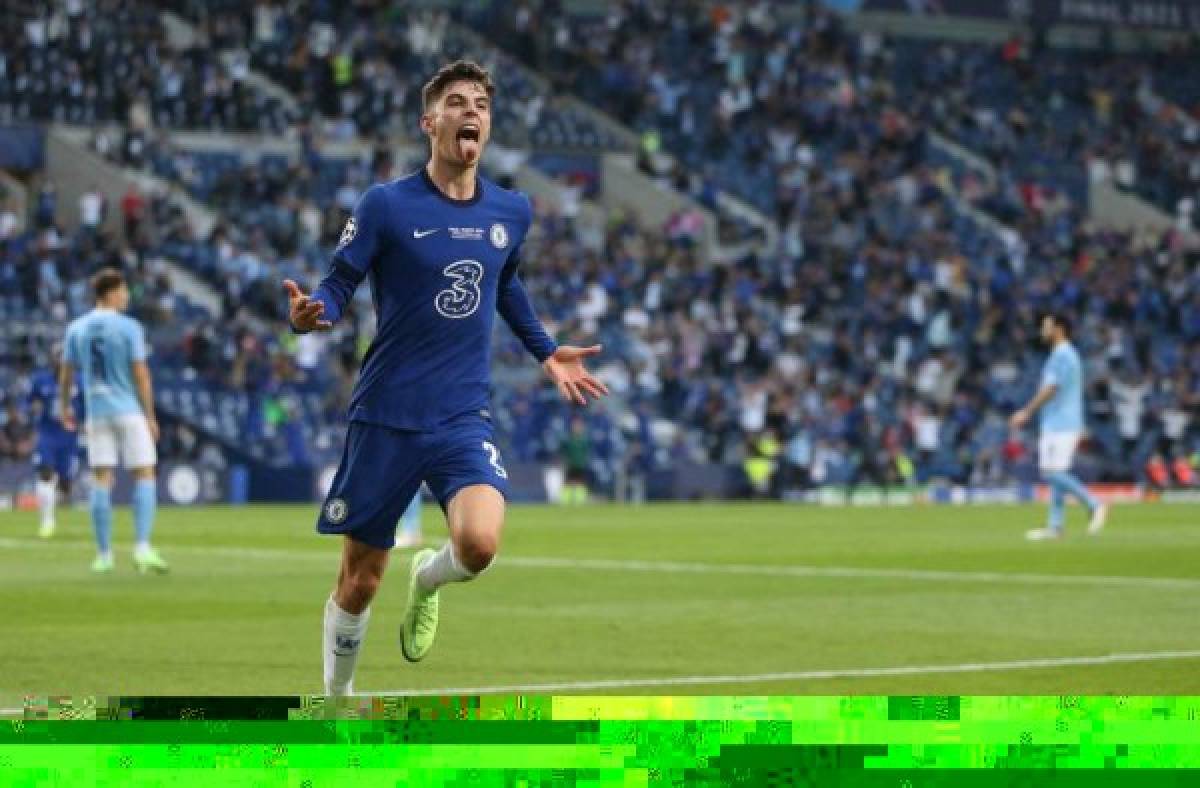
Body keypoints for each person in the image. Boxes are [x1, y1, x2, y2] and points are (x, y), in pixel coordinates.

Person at [282, 60, 609, 696]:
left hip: (462, 414)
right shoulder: (387, 204)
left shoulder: (511, 211)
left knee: (481, 544)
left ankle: (429, 578)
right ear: (428, 122)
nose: (471, 113)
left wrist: (546, 351)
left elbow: (504, 281)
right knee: (359, 579)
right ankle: (336, 702)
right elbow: (340, 279)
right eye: (457, 103)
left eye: (481, 105)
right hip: (387, 413)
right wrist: (308, 316)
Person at [61, 268, 168, 574]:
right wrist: (150, 415)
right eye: (122, 291)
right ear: (109, 293)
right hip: (127, 409)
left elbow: (67, 373)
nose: (126, 296)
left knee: (101, 478)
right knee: (145, 473)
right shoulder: (129, 327)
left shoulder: (77, 327)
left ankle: (104, 555)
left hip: (96, 411)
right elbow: (141, 373)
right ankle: (143, 549)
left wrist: (64, 407)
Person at [1010, 312, 1108, 540]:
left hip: (1061, 423)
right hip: (1058, 421)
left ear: (1059, 329)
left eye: (1046, 326)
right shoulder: (1063, 355)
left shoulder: (1063, 355)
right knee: (1057, 473)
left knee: (1051, 472)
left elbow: (1051, 389)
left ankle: (1093, 503)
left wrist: (1026, 411)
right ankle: (1056, 526)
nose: (1042, 331)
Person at [28, 347, 82, 538]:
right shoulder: (41, 379)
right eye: (57, 357)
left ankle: (53, 503)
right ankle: (47, 521)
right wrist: (34, 408)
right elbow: (30, 401)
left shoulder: (80, 382)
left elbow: (86, 406)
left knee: (65, 483)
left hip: (69, 438)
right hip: (47, 434)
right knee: (45, 472)